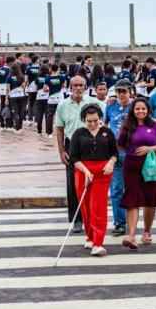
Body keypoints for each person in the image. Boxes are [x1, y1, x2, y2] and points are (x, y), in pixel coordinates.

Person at [117, 97, 156, 249]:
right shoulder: (127, 125)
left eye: (143, 109)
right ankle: (131, 235)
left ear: (148, 110)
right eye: (137, 109)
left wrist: (149, 149)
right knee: (132, 199)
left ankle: (147, 231)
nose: (140, 111)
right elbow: (119, 144)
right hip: (131, 166)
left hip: (151, 165)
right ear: (133, 111)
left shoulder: (155, 125)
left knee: (150, 198)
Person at [70, 104, 119, 257]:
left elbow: (114, 153)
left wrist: (110, 163)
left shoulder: (107, 132)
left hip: (102, 173)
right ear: (84, 120)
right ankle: (90, 237)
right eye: (89, 121)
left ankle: (98, 243)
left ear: (100, 119)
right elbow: (74, 157)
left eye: (95, 121)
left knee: (98, 207)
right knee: (85, 207)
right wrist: (85, 171)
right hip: (82, 171)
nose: (92, 124)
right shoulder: (78, 134)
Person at [55, 76, 100, 234]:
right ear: (70, 87)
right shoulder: (63, 105)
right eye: (75, 85)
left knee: (92, 182)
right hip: (71, 146)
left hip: (91, 144)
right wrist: (61, 151)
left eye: (81, 85)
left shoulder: (92, 103)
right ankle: (77, 219)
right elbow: (59, 129)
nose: (78, 88)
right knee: (73, 184)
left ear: (86, 86)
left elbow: (106, 113)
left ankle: (92, 216)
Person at [103, 79, 133, 235]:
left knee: (133, 189)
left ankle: (132, 222)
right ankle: (119, 223)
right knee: (116, 190)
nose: (121, 94)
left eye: (124, 91)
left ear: (130, 92)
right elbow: (104, 123)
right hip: (115, 154)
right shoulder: (110, 105)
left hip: (132, 153)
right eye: (119, 91)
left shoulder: (135, 106)